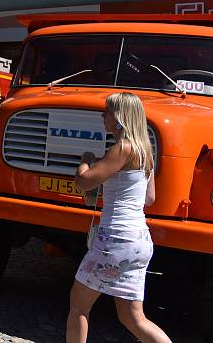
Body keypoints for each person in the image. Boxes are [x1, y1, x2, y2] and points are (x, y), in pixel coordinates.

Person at [67, 92, 170, 343]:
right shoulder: (146, 152)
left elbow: (84, 182)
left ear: (121, 117)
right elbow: (150, 199)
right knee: (133, 318)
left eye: (108, 111)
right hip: (139, 242)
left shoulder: (122, 148)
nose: (103, 116)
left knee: (79, 308)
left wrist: (85, 162)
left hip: (115, 239)